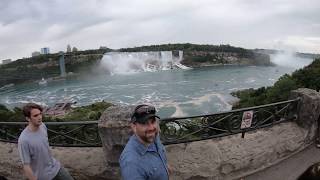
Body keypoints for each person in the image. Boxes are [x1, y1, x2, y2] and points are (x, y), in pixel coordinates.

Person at [18, 103, 74, 180]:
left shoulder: (42, 126)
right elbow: (26, 166)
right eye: (35, 116)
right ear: (28, 118)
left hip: (55, 167)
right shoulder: (24, 140)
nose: (40, 117)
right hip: (43, 176)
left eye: (40, 114)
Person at [119, 104, 169, 180]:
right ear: (134, 127)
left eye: (153, 122)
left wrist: (164, 168)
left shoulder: (153, 137)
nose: (151, 128)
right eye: (144, 123)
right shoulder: (131, 163)